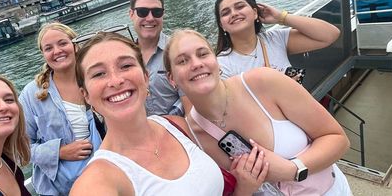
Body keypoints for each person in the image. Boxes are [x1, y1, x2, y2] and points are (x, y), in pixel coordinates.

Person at [70, 32, 267, 196]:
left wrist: (243, 189)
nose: (115, 80)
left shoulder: (176, 125)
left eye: (126, 66)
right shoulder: (95, 184)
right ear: (85, 95)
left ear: (146, 78)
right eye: (98, 74)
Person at [164, 29, 352, 195]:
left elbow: (338, 139)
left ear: (217, 61)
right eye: (182, 61)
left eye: (203, 54)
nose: (196, 64)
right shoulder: (193, 140)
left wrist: (291, 169)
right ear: (172, 79)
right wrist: (244, 188)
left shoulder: (264, 82)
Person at [19, 23, 102, 195]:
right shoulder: (32, 94)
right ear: (43, 54)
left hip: (105, 176)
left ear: (75, 45)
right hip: (61, 188)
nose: (57, 51)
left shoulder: (98, 78)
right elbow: (19, 148)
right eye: (48, 48)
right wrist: (58, 152)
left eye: (62, 43)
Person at [214, 0, 340, 79]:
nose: (234, 13)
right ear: (222, 25)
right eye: (225, 13)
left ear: (255, 13)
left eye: (240, 6)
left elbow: (330, 34)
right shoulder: (222, 64)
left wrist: (282, 17)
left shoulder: (274, 39)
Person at [129, 0, 191, 116]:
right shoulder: (125, 57)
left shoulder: (179, 50)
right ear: (131, 14)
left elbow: (190, 105)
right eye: (142, 12)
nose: (150, 18)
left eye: (156, 12)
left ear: (163, 15)